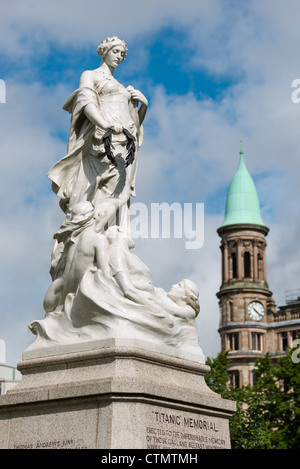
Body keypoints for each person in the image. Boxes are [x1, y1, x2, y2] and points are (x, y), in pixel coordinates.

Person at [47, 36, 148, 236]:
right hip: (101, 141)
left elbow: (134, 122)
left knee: (121, 191)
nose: (119, 57)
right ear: (105, 51)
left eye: (122, 54)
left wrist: (143, 105)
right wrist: (104, 125)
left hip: (125, 143)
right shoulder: (90, 75)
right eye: (116, 51)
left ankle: (116, 235)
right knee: (99, 189)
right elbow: (85, 102)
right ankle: (89, 230)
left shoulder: (121, 86)